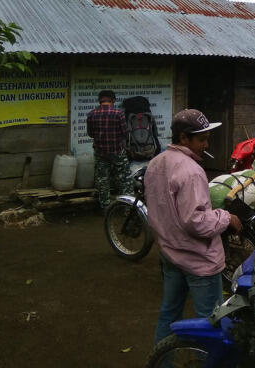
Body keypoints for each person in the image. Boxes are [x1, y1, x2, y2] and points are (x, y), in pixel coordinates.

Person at [144, 108, 242, 344]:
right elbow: (196, 222)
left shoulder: (156, 163)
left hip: (170, 253)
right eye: (201, 139)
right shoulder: (191, 171)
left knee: (169, 313)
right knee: (212, 320)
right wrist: (227, 218)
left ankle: (162, 360)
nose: (206, 144)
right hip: (198, 260)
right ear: (183, 138)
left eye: (207, 138)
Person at [85, 89, 132, 211]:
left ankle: (105, 208)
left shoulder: (91, 114)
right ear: (113, 100)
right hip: (118, 152)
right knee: (125, 179)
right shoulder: (118, 113)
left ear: (100, 101)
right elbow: (125, 133)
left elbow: (90, 134)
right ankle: (127, 209)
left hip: (101, 153)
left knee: (102, 180)